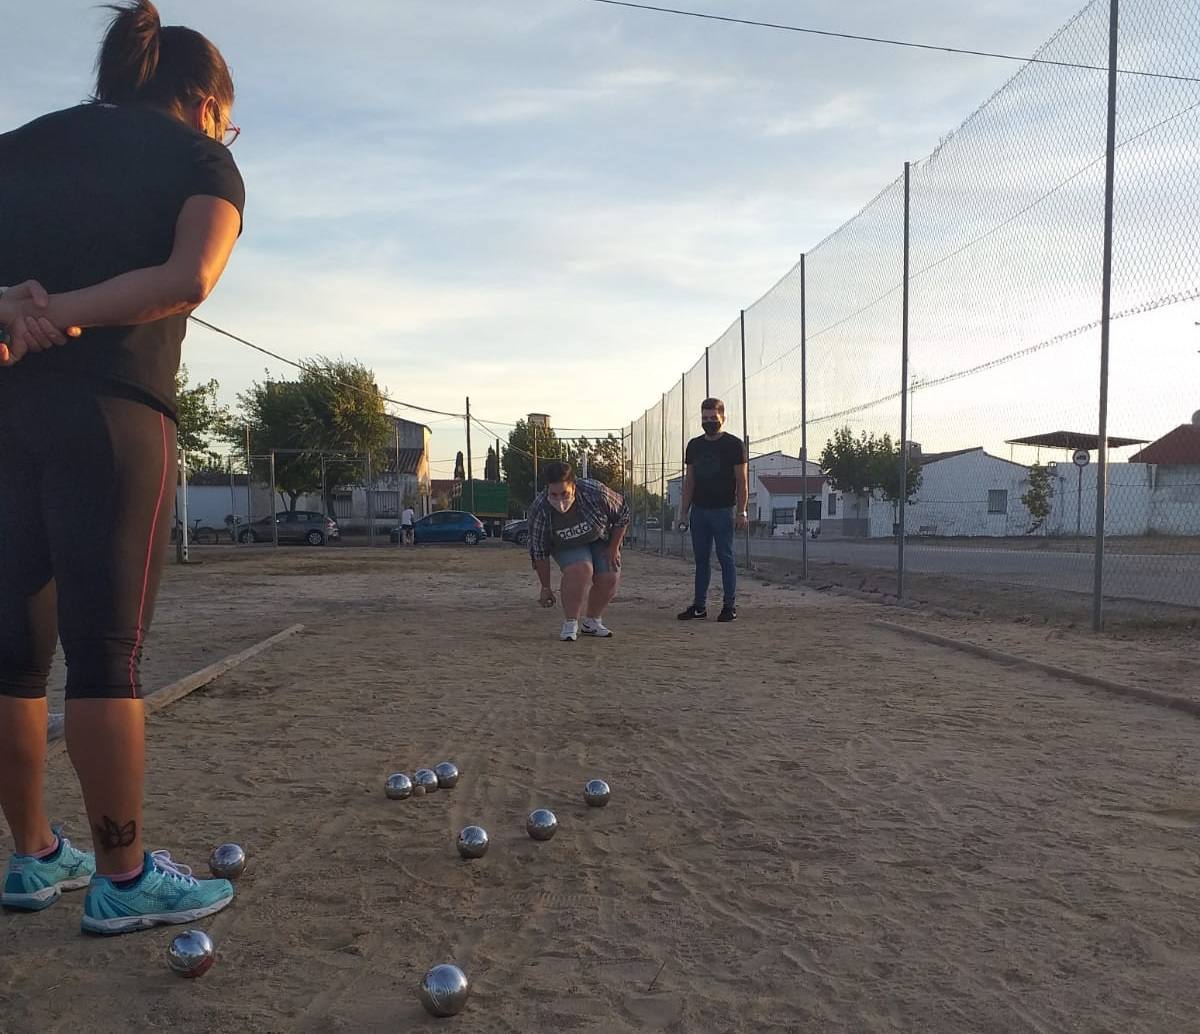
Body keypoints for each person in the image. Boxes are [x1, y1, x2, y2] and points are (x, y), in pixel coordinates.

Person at [0, 0, 245, 934]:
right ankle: (124, 876)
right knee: (105, 652)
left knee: (13, 653)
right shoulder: (197, 158)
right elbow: (190, 277)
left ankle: (31, 859)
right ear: (201, 101)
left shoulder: (20, 145)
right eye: (229, 118)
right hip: (113, 415)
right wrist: (63, 311)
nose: (228, 133)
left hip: (8, 414)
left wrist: (12, 308)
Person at [529, 462, 630, 641]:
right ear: (547, 490)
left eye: (564, 494)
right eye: (553, 494)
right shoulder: (539, 509)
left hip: (598, 538)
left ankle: (592, 622)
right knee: (581, 569)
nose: (559, 500)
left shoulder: (595, 491)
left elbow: (623, 513)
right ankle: (570, 623)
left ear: (574, 487)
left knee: (610, 572)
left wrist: (614, 548)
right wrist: (545, 587)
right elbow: (539, 552)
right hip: (564, 544)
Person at [677, 398, 749, 622]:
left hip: (724, 510)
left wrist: (742, 511)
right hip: (699, 511)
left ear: (722, 418)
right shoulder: (694, 445)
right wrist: (683, 512)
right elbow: (690, 481)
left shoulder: (734, 445)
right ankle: (699, 606)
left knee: (725, 557)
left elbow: (742, 481)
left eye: (713, 418)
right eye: (705, 418)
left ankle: (729, 606)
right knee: (701, 559)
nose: (709, 422)